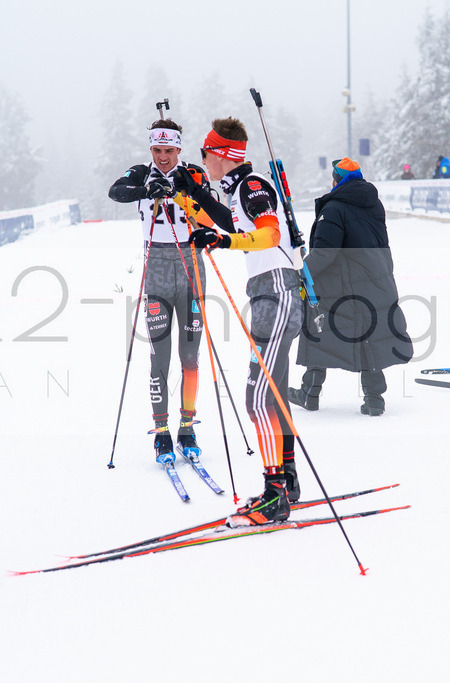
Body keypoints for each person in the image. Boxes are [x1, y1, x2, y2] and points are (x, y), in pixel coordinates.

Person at [172, 116, 303, 526]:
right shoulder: (238, 192)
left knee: (258, 401)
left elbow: (269, 234)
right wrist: (185, 195)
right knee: (273, 398)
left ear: (221, 154)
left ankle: (274, 495)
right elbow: (223, 222)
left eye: (204, 153)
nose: (202, 159)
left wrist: (224, 240)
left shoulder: (253, 186)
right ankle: (286, 483)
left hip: (277, 295)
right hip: (270, 296)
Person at [108, 118, 213, 466]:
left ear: (179, 149)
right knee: (160, 358)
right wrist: (146, 191)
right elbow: (116, 191)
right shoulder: (141, 172)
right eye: (157, 150)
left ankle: (187, 428)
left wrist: (188, 194)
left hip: (192, 270)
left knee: (191, 358)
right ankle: (162, 433)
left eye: (169, 151)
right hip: (157, 273)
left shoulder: (194, 173)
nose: (163, 157)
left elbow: (212, 216)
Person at [287, 157, 413, 416]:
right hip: (376, 278)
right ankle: (375, 398)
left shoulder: (334, 209)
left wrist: (300, 272)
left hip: (345, 283)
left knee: (317, 328)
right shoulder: (372, 203)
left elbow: (325, 253)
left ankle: (309, 394)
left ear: (337, 180)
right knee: (369, 334)